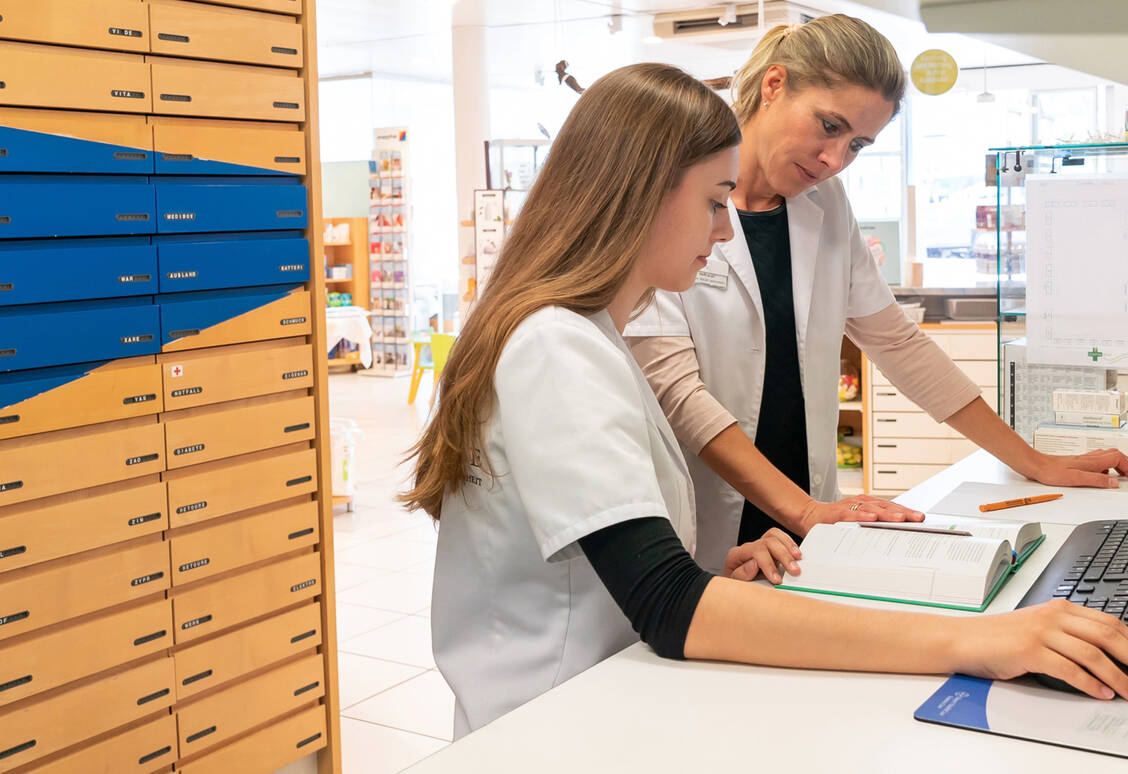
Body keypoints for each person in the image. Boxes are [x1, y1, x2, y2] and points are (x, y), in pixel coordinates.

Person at [401, 63, 1128, 739]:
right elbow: (665, 603)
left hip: (612, 694)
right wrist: (978, 641)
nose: (724, 232)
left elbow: (620, 567)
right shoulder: (556, 346)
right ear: (640, 194)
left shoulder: (584, 335)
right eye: (715, 204)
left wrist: (718, 567)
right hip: (552, 722)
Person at [625, 15, 1128, 574]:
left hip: (804, 516)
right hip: (710, 513)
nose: (834, 160)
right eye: (828, 125)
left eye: (858, 144)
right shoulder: (677, 193)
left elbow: (895, 341)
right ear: (774, 85)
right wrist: (809, 510)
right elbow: (677, 391)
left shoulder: (826, 202)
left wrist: (1033, 462)